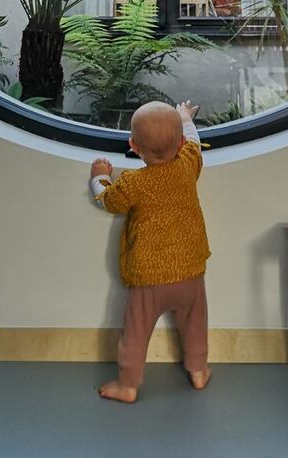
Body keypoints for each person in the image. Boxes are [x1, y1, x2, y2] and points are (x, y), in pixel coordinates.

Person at [89, 100, 211, 403]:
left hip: (149, 279)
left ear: (133, 146)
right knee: (195, 325)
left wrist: (98, 176)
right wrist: (184, 117)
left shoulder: (134, 182)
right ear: (180, 143)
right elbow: (194, 143)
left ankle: (128, 385)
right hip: (191, 271)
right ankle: (198, 370)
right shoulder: (187, 166)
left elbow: (107, 200)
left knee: (135, 333)